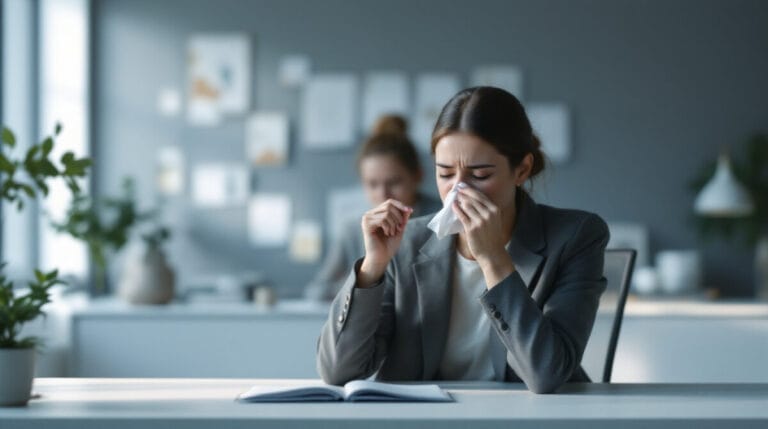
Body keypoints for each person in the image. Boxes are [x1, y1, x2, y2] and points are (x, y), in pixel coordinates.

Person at [316, 87, 609, 394]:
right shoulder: (407, 242)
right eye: (445, 174)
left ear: (521, 170)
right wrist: (371, 268)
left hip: (527, 413)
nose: (459, 191)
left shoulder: (576, 236)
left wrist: (494, 258)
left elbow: (546, 374)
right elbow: (338, 371)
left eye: (480, 175)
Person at [304, 115, 441, 301]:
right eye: (372, 184)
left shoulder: (441, 218)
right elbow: (317, 291)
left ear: (417, 176)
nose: (383, 194)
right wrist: (364, 278)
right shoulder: (353, 230)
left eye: (394, 182)